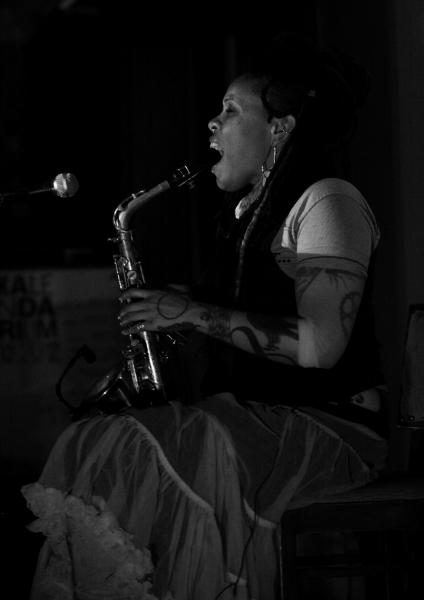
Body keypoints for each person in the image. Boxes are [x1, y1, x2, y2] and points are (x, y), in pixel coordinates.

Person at [22, 32, 389, 600]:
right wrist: (178, 312)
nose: (213, 124)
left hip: (329, 428)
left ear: (279, 129)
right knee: (98, 439)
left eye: (231, 109)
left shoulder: (328, 200)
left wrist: (193, 311)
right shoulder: (247, 213)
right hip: (257, 419)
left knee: (136, 448)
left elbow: (321, 347)